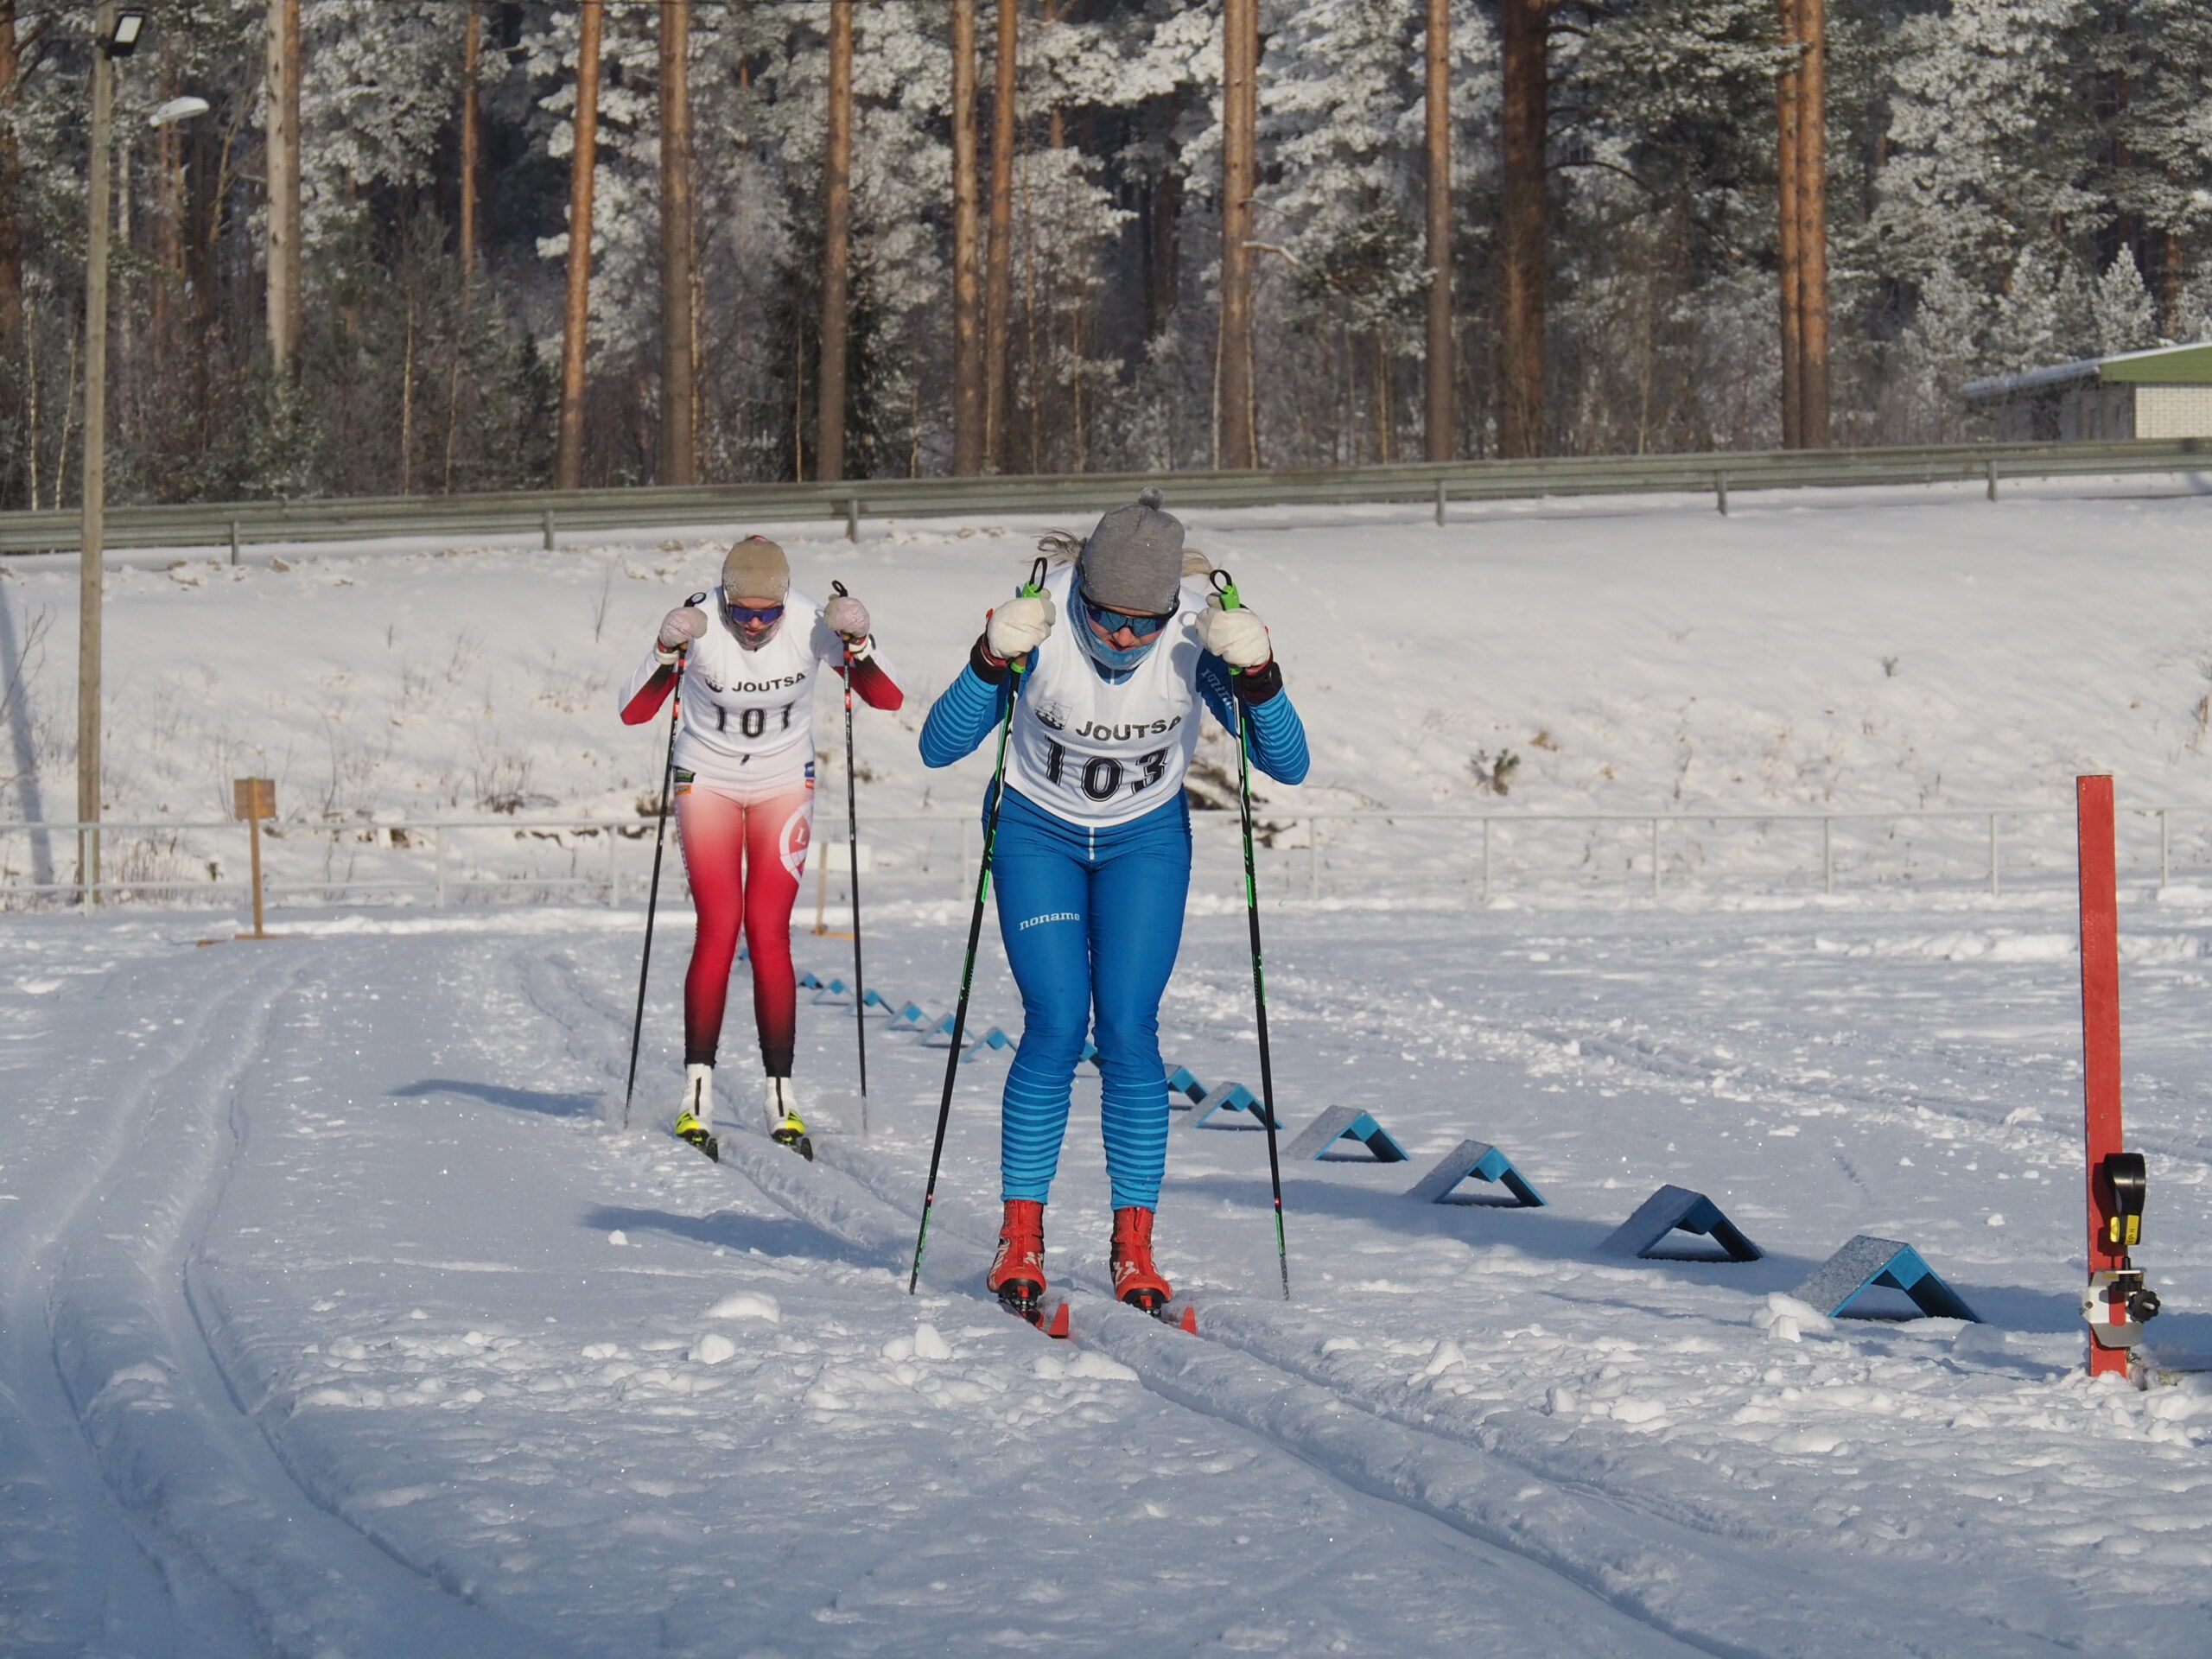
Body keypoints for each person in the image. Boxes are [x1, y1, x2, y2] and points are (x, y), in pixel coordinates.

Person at [918, 491, 1308, 1318]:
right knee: (1058, 1022)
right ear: (1083, 594)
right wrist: (988, 659)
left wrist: (1260, 676)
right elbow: (939, 746)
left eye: (1144, 624)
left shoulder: (1195, 634)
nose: (1125, 638)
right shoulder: (1040, 623)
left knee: (1129, 1028)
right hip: (1037, 833)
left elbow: (1289, 765)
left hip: (1144, 841)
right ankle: (1019, 1238)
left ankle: (1135, 1247)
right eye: (1107, 619)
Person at [619, 536, 901, 1162]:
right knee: (719, 926)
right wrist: (664, 649)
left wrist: (860, 642)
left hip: (782, 782)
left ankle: (781, 1096)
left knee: (769, 932)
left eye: (765, 613)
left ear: (784, 601)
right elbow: (634, 713)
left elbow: (887, 697)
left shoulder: (808, 621)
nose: (752, 625)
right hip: (708, 779)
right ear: (723, 598)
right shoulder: (700, 622)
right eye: (740, 612)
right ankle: (697, 1094)